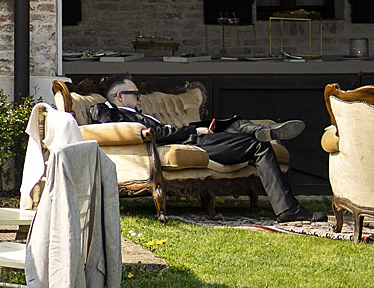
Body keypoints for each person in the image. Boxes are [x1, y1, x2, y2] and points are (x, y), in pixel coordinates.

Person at [88, 76, 312, 222]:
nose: (140, 98)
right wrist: (193, 133)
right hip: (188, 142)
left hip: (187, 135)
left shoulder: (138, 112)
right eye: (136, 94)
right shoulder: (113, 113)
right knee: (259, 147)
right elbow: (104, 119)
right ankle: (288, 210)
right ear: (119, 96)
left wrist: (195, 129)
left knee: (231, 123)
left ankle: (260, 129)